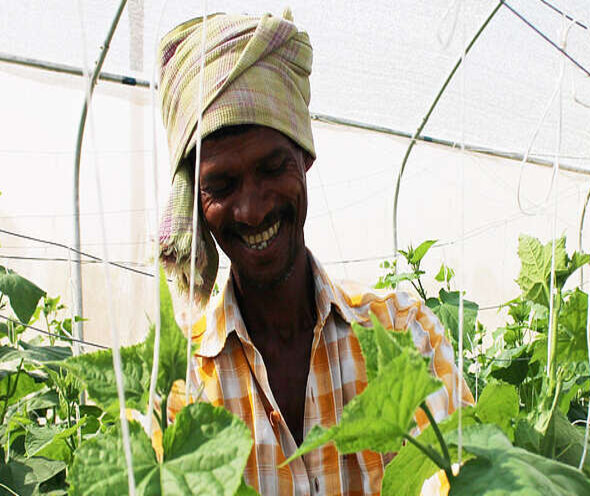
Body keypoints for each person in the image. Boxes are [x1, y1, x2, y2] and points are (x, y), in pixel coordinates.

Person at [157, 10, 472, 495]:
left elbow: (467, 479)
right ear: (196, 203)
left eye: (271, 167)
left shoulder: (406, 335)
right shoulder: (182, 388)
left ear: (304, 156)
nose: (252, 209)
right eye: (221, 185)